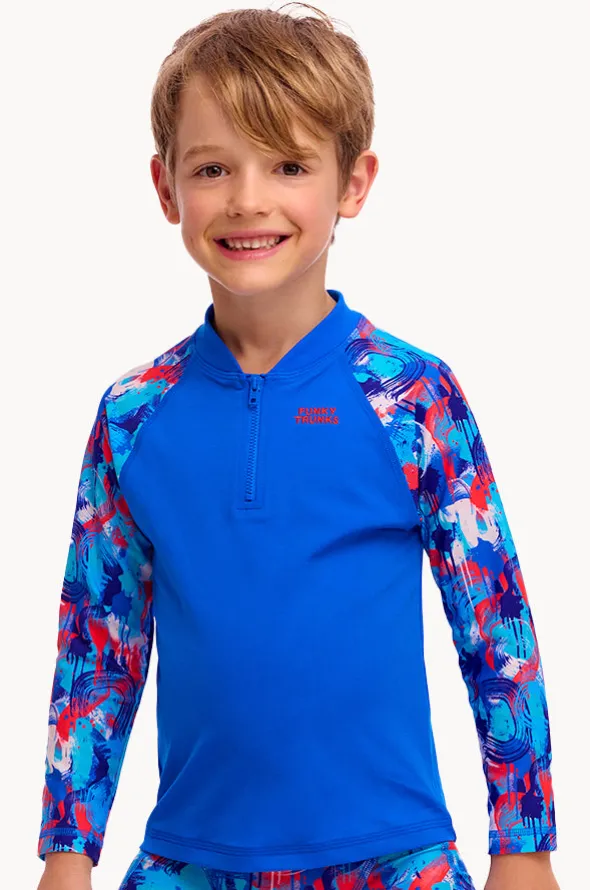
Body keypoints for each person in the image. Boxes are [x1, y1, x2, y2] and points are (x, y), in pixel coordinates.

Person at [36, 5, 560, 890]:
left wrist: (524, 844)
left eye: (288, 164)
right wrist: (65, 852)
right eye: (213, 168)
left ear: (353, 183)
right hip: (189, 860)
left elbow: (495, 631)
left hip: (395, 858)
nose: (248, 199)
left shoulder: (412, 397)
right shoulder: (133, 415)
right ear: (165, 188)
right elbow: (98, 646)